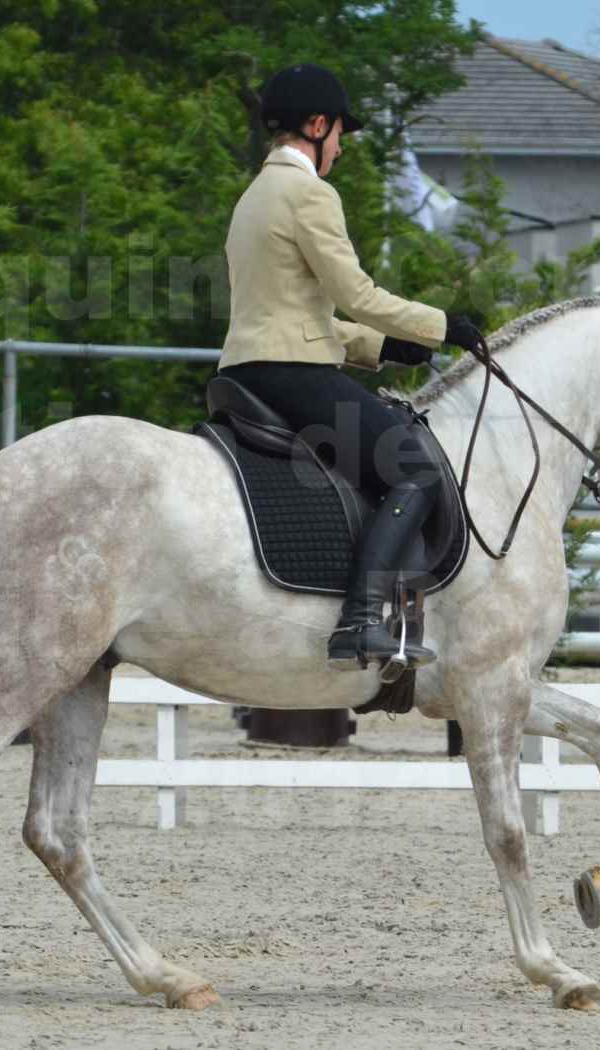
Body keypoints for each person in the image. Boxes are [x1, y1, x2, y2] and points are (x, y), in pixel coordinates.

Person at [217, 63, 485, 673]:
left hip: (248, 369)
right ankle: (360, 619)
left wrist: (385, 349)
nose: (340, 146)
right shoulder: (310, 193)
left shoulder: (253, 198)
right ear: (316, 126)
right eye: (339, 133)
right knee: (414, 468)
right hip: (292, 373)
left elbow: (298, 313)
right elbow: (357, 294)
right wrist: (444, 326)